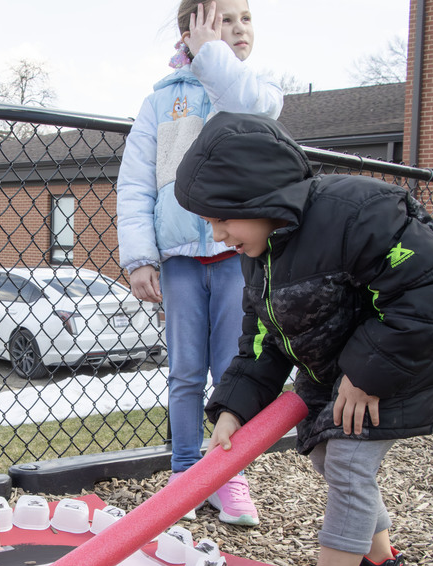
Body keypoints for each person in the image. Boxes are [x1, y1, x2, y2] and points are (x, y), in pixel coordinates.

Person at [174, 111, 433, 566]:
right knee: (325, 455)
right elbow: (263, 337)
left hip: (403, 361)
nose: (216, 234)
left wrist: (366, 373)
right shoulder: (261, 253)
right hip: (341, 370)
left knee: (349, 462)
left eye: (223, 219)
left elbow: (429, 291)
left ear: (260, 201)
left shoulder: (359, 212)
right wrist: (234, 407)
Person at [116, 0, 282, 525]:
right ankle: (185, 474)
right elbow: (137, 183)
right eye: (222, 20)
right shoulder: (161, 103)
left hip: (239, 256)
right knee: (185, 372)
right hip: (182, 259)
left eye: (244, 19)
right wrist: (141, 256)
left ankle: (226, 475)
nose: (237, 29)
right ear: (188, 31)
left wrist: (214, 57)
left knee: (233, 369)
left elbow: (251, 106)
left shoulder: (252, 87)